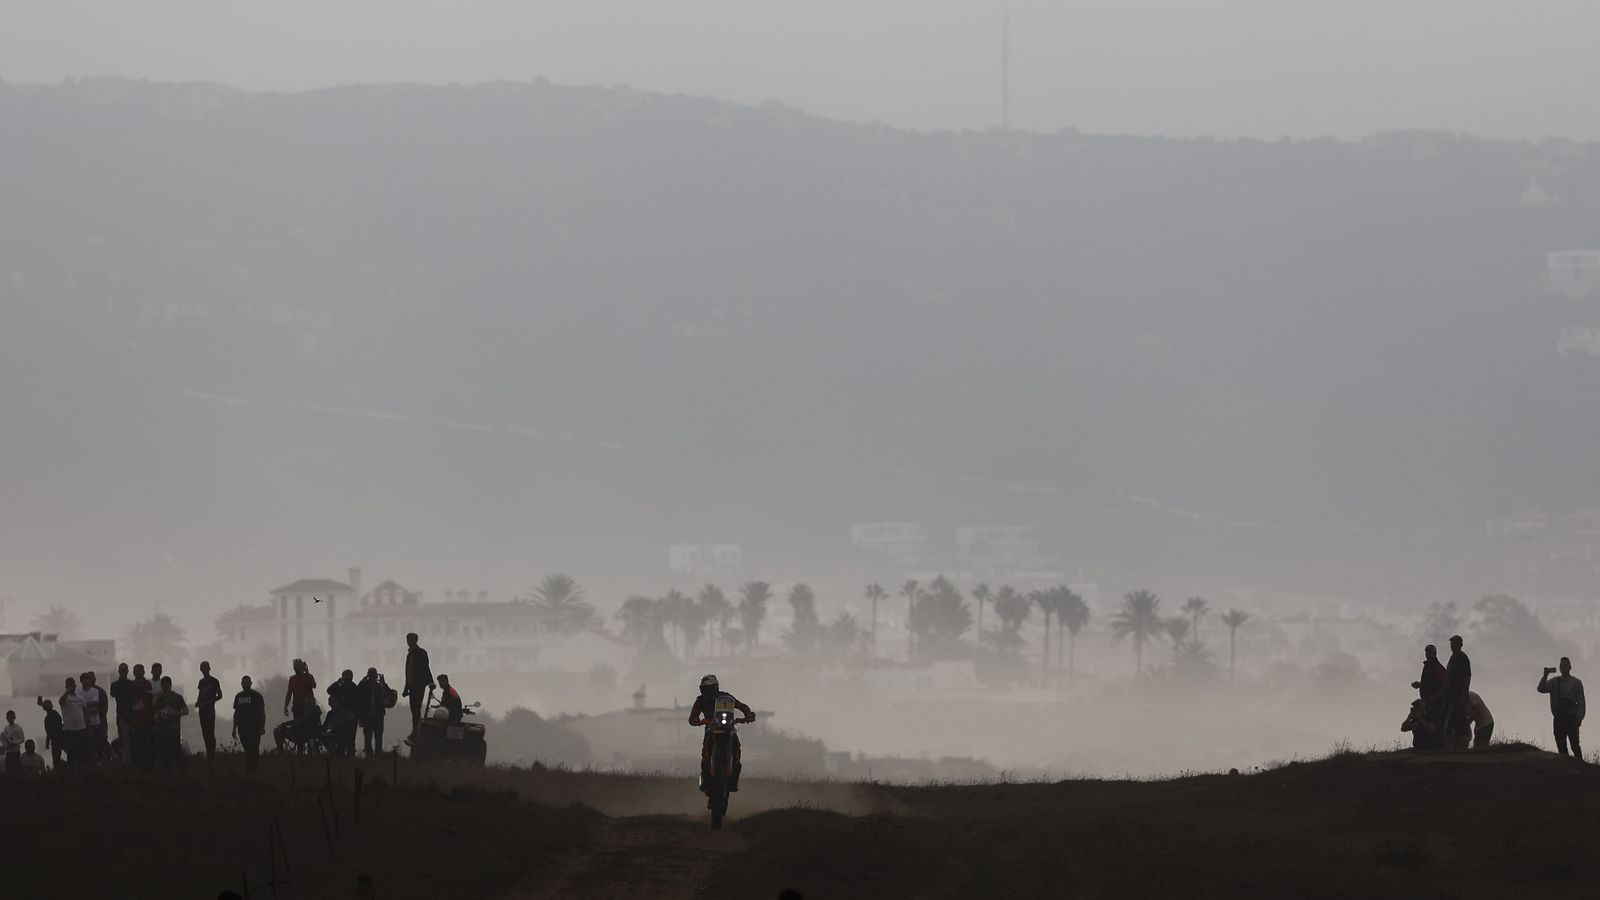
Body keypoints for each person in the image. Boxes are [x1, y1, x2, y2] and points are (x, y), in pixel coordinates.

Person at [687, 674, 755, 793]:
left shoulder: (725, 697)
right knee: (705, 756)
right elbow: (693, 717)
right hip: (711, 728)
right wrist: (699, 721)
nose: (707, 692)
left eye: (709, 689)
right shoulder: (700, 700)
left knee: (736, 746)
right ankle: (705, 781)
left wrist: (748, 715)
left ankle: (734, 779)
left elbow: (742, 706)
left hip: (728, 727)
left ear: (716, 688)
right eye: (705, 689)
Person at [1538, 658, 1586, 761]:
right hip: (1558, 717)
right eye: (1561, 665)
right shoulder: (1554, 681)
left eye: (1565, 665)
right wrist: (1545, 676)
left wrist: (1579, 718)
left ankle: (1581, 767)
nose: (1563, 667)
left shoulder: (1576, 682)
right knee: (1561, 746)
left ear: (1570, 667)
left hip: (1571, 717)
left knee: (1574, 745)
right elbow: (1541, 689)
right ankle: (1567, 769)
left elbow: (1581, 702)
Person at [1440, 635, 1472, 742]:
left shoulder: (1463, 658)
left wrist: (1463, 695)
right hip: (1450, 695)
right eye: (1452, 643)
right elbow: (1447, 676)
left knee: (1458, 720)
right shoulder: (1453, 658)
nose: (1453, 645)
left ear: (1461, 644)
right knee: (1450, 719)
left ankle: (1460, 746)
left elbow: (1467, 677)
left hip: (1458, 695)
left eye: (1455, 643)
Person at [232, 675, 266, 774]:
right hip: (242, 728)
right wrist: (234, 728)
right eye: (244, 682)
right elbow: (236, 713)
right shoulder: (238, 696)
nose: (246, 684)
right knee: (247, 749)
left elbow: (262, 712)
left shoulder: (257, 695)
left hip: (254, 727)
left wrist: (262, 727)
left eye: (247, 682)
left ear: (251, 683)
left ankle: (254, 769)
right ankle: (249, 769)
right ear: (241, 684)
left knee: (254, 748)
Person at [154, 675, 189, 772]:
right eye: (163, 686)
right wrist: (157, 717)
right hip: (162, 728)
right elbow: (156, 712)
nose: (165, 688)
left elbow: (186, 711)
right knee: (163, 750)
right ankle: (169, 770)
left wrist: (175, 713)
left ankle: (182, 770)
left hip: (174, 728)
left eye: (166, 685)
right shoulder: (159, 698)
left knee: (176, 750)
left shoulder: (177, 697)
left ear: (170, 685)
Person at [403, 633, 434, 741]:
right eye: (408, 639)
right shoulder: (410, 654)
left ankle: (416, 731)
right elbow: (408, 672)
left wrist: (429, 682)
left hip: (418, 685)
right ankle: (415, 730)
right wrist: (406, 688)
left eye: (411, 639)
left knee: (416, 709)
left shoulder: (421, 653)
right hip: (411, 686)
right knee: (414, 709)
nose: (409, 641)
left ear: (416, 640)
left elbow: (425, 668)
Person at [355, 668, 389, 758]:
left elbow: (388, 694)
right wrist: (362, 682)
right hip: (368, 715)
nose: (372, 677)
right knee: (369, 736)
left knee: (376, 736)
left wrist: (383, 683)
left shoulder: (379, 686)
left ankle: (376, 754)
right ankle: (371, 754)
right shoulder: (365, 686)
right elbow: (357, 694)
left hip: (376, 715)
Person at [1411, 644, 1448, 727]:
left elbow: (1446, 685)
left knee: (1434, 726)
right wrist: (1420, 685)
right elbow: (1429, 683)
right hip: (1426, 703)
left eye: (1430, 652)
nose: (1428, 654)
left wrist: (1435, 697)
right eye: (1427, 652)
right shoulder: (1427, 666)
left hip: (1436, 705)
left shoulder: (1438, 667)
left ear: (1435, 654)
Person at [57, 676, 88, 769]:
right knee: (71, 753)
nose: (72, 686)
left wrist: (89, 727)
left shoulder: (80, 698)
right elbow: (61, 702)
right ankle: (72, 773)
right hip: (69, 730)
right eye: (69, 684)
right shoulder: (65, 698)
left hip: (81, 729)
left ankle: (82, 771)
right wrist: (68, 691)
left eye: (73, 684)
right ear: (66, 686)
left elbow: (85, 713)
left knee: (81, 753)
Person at [109, 663, 136, 765]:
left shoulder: (131, 684)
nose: (123, 672)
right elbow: (112, 693)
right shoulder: (115, 684)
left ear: (127, 671)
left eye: (125, 670)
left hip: (132, 715)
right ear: (119, 671)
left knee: (134, 739)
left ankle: (134, 762)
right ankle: (127, 762)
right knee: (124, 741)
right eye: (122, 670)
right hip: (121, 715)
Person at [196, 660, 223, 761]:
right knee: (205, 733)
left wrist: (209, 702)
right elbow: (200, 694)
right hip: (202, 711)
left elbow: (220, 696)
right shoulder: (201, 682)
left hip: (210, 710)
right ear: (200, 669)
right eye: (202, 667)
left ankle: (212, 754)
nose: (204, 669)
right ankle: (209, 753)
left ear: (209, 668)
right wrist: (198, 703)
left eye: (206, 667)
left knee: (210, 732)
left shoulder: (214, 681)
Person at [130, 665, 156, 770]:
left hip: (148, 720)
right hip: (136, 721)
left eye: (140, 671)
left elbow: (151, 702)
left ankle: (151, 767)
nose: (138, 672)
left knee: (149, 744)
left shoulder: (148, 684)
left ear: (144, 672)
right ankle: (140, 767)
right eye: (136, 671)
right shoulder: (131, 685)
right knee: (138, 745)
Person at [82, 671, 108, 764]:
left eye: (91, 678)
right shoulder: (81, 692)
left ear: (95, 679)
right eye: (88, 678)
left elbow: (103, 709)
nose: (90, 680)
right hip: (85, 724)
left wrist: (86, 708)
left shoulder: (100, 692)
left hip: (100, 723)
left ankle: (105, 761)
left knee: (101, 743)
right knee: (89, 746)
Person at [35, 697, 63, 768]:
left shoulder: (48, 718)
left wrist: (47, 742)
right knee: (57, 758)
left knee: (56, 758)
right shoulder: (53, 715)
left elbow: (49, 733)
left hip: (57, 739)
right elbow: (49, 732)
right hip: (59, 738)